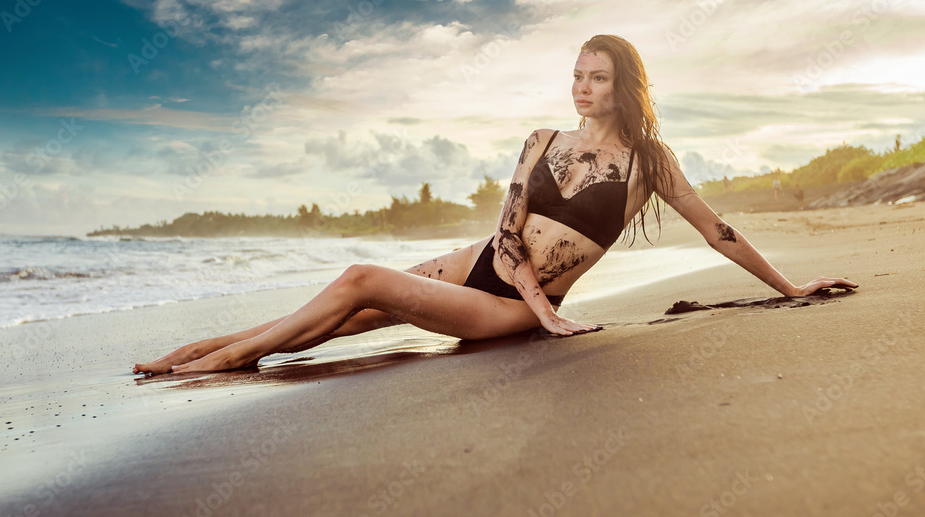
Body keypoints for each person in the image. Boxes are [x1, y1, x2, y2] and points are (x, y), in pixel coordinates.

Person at [133, 35, 856, 376]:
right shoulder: (541, 140)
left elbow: (719, 232)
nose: (581, 87)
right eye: (576, 75)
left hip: (509, 312)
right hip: (486, 270)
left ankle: (223, 362)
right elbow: (505, 238)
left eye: (597, 78)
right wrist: (548, 313)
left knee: (361, 278)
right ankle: (196, 352)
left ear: (624, 85)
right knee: (344, 314)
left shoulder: (649, 164)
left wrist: (791, 288)